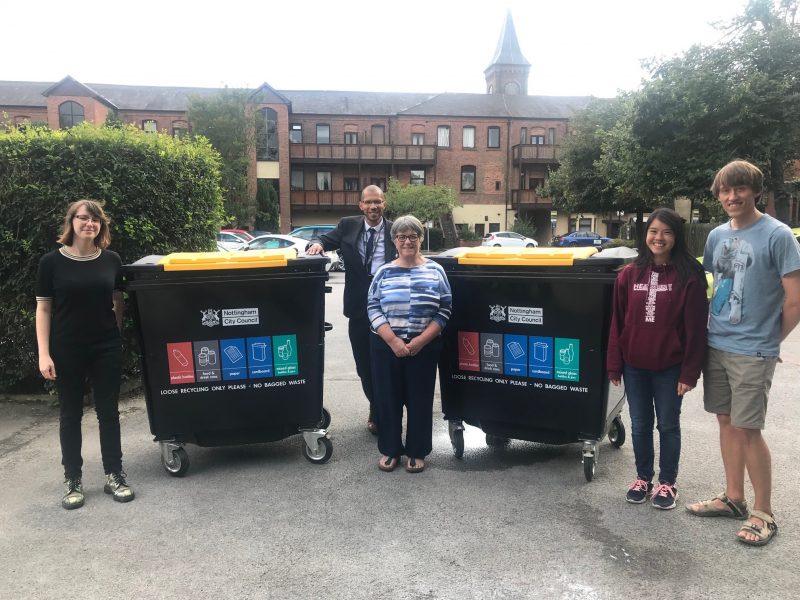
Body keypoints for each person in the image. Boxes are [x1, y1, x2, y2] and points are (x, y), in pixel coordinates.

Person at [686, 160, 800, 546]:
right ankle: (734, 498)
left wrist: (770, 342)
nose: (732, 197)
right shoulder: (716, 236)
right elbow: (714, 285)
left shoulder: (778, 235)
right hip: (716, 343)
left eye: (739, 189)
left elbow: (795, 301)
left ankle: (764, 513)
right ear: (719, 195)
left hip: (753, 349)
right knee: (725, 421)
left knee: (749, 429)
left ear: (754, 191)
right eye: (725, 191)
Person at [36, 200, 134, 509]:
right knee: (70, 414)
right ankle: (73, 480)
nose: (88, 224)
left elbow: (118, 299)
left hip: (105, 346)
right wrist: (44, 354)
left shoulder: (112, 260)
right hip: (66, 348)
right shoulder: (51, 263)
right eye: (82, 218)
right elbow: (44, 308)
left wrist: (115, 332)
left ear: (101, 225)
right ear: (72, 222)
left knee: (108, 413)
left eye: (94, 219)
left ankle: (114, 475)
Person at [607, 207, 708, 509]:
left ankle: (667, 483)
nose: (659, 238)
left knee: (667, 425)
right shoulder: (629, 274)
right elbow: (617, 322)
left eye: (666, 232)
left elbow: (696, 329)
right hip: (634, 366)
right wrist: (615, 363)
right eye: (653, 231)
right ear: (645, 235)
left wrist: (689, 373)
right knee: (639, 424)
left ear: (676, 236)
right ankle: (642, 478)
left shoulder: (689, 276)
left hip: (670, 368)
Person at [306, 185, 397, 434]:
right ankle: (376, 406)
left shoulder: (394, 230)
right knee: (364, 367)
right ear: (361, 205)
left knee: (386, 364)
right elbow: (324, 239)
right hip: (358, 309)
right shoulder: (347, 225)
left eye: (377, 202)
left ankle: (382, 412)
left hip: (390, 309)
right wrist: (316, 245)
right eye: (368, 202)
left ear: (384, 204)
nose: (373, 207)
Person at [367, 215, 452, 473]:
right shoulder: (383, 271)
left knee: (419, 400)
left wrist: (420, 341)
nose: (407, 241)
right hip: (387, 347)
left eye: (413, 236)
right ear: (394, 241)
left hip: (424, 348)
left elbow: (445, 308)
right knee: (387, 399)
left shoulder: (436, 270)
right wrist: (392, 340)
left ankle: (417, 451)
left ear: (421, 239)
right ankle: (390, 450)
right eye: (402, 237)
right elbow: (372, 306)